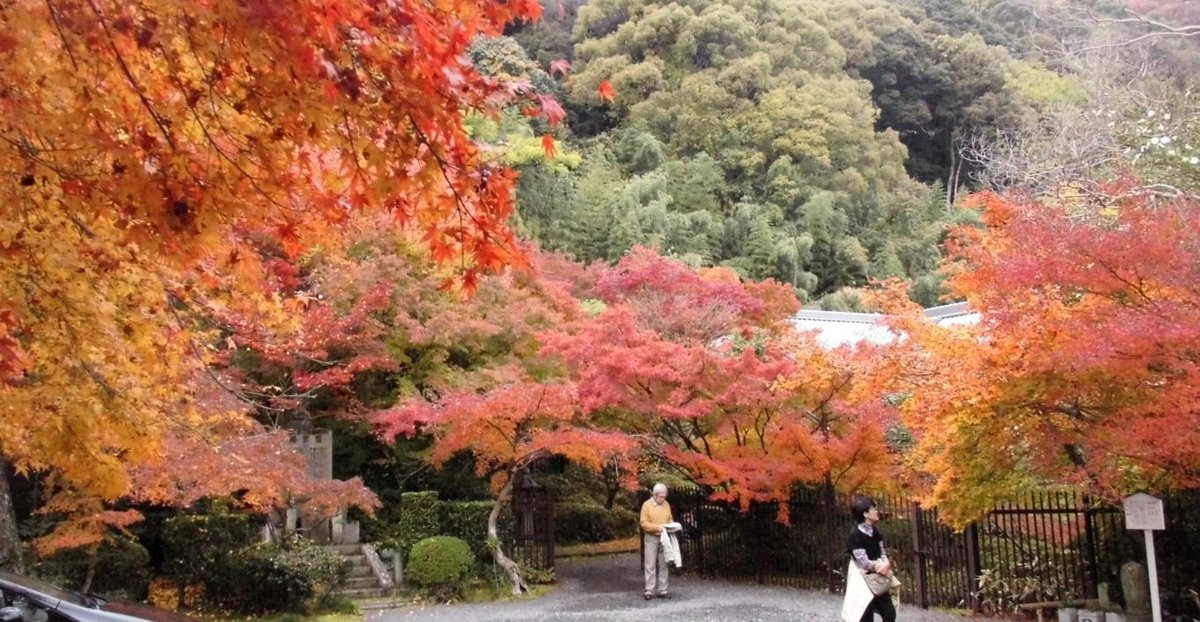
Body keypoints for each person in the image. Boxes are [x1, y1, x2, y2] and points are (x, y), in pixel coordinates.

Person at [841, 495, 897, 622]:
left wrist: (885, 563)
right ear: (865, 513)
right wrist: (882, 567)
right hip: (863, 581)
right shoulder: (855, 536)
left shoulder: (875, 532)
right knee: (865, 616)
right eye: (873, 508)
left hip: (878, 580)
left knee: (890, 614)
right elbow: (864, 562)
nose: (876, 511)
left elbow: (882, 551)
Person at [639, 482, 674, 600]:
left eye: (664, 496)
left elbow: (670, 519)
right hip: (651, 537)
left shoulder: (666, 504)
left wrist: (672, 526)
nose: (663, 499)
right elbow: (643, 523)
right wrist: (656, 527)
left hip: (664, 537)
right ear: (655, 495)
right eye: (661, 496)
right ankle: (649, 590)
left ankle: (663, 590)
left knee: (664, 564)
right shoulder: (646, 505)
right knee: (650, 564)